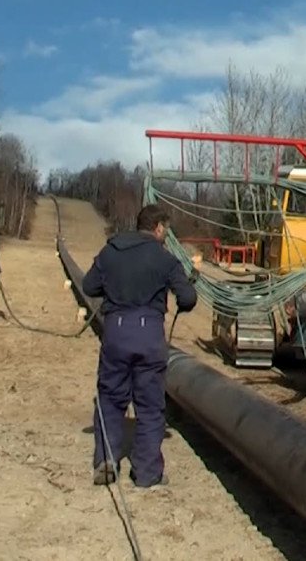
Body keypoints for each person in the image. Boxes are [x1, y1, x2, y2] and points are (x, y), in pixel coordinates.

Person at [82, 204, 198, 488]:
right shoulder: (166, 260)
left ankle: (106, 460)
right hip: (149, 336)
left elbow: (89, 285)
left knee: (110, 398)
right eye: (165, 230)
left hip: (116, 332)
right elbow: (188, 299)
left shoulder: (111, 251)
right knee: (149, 406)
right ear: (158, 227)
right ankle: (146, 473)